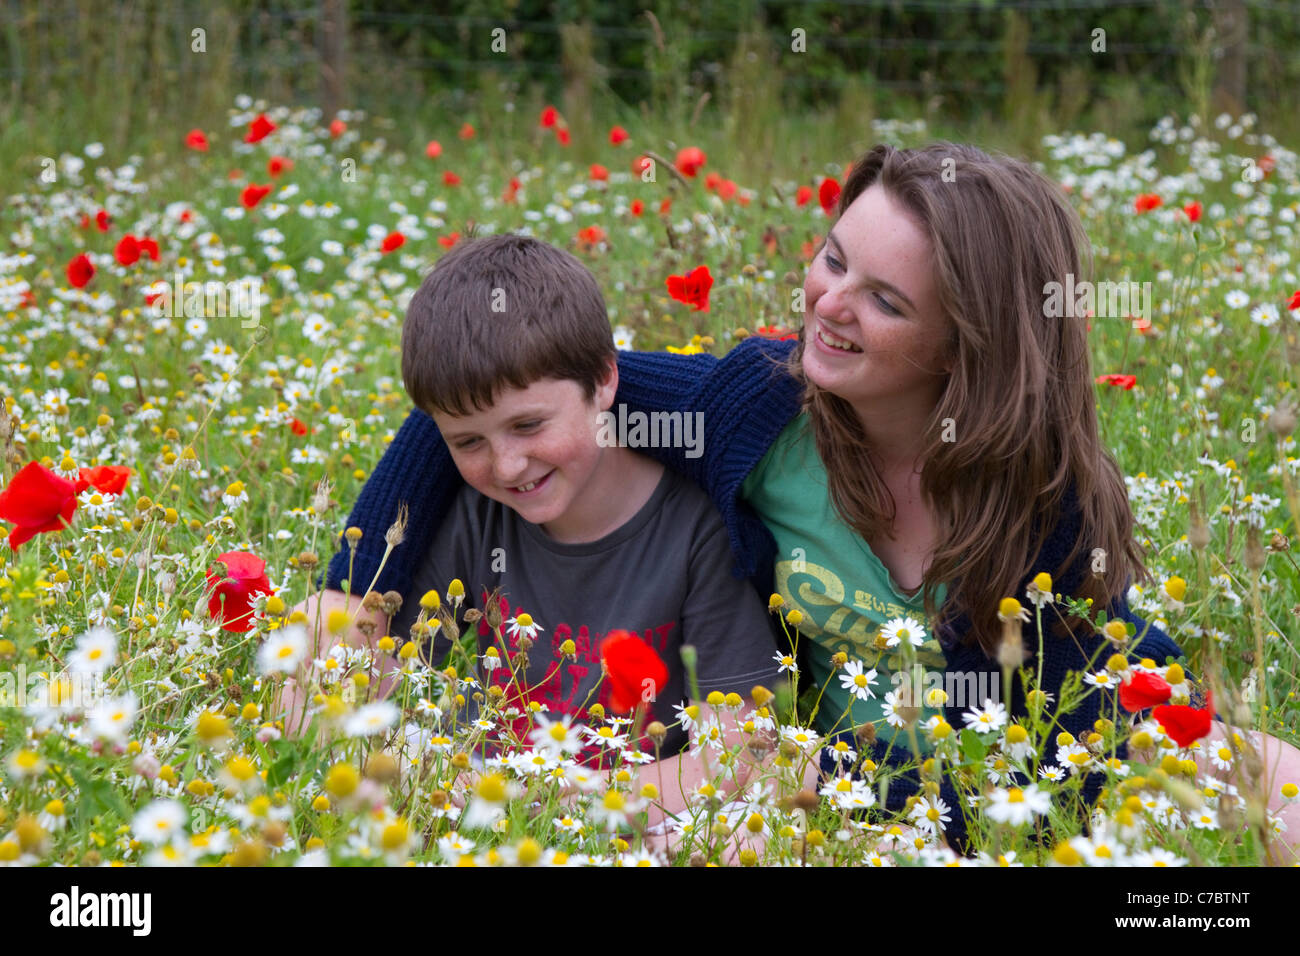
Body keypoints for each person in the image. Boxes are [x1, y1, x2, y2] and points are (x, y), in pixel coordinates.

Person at [319, 144, 1300, 857]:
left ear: (970, 342)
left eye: (885, 298)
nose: (829, 302)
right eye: (833, 258)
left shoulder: (1044, 503)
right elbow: (500, 394)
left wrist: (875, 799)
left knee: (1260, 787)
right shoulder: (755, 406)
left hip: (1041, 752)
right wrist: (347, 595)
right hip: (812, 775)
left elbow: (1073, 733)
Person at [316, 232, 781, 813]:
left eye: (530, 426)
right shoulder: (471, 513)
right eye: (467, 441)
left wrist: (555, 802)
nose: (507, 466)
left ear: (605, 380)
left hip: (632, 824)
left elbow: (743, 749)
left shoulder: (698, 528)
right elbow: (373, 677)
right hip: (480, 824)